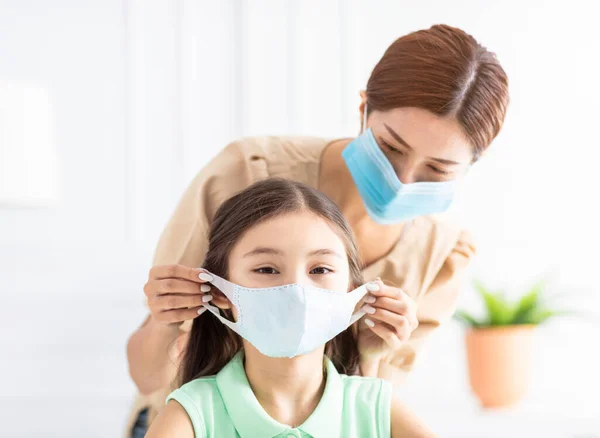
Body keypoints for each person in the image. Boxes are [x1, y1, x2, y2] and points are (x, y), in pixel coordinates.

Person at [126, 24, 509, 434]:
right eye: (391, 148)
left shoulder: (441, 252)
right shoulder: (245, 173)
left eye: (437, 170)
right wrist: (163, 319)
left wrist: (372, 357)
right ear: (363, 109)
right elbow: (149, 375)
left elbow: (368, 415)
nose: (403, 180)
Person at [145, 178, 435, 438]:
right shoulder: (191, 415)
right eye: (267, 269)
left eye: (320, 269)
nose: (298, 290)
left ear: (352, 293)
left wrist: (368, 358)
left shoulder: (377, 408)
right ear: (219, 291)